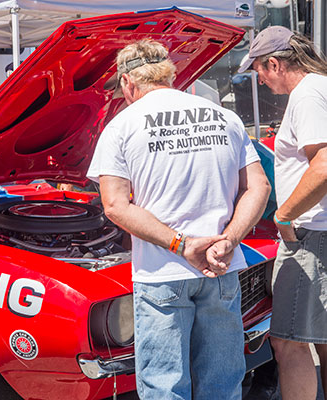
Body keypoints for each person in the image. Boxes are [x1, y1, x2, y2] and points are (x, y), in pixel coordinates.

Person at [87, 39, 271, 399]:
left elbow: (114, 206)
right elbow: (259, 187)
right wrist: (229, 240)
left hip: (162, 273)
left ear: (127, 82)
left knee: (165, 387)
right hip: (221, 266)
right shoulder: (224, 117)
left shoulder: (122, 126)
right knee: (222, 384)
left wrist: (181, 244)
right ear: (169, 74)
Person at [239, 25, 327, 400]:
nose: (259, 79)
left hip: (311, 234)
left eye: (259, 69)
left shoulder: (308, 94)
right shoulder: (321, 86)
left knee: (288, 343)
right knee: (322, 339)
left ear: (275, 63)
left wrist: (285, 215)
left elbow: (323, 164)